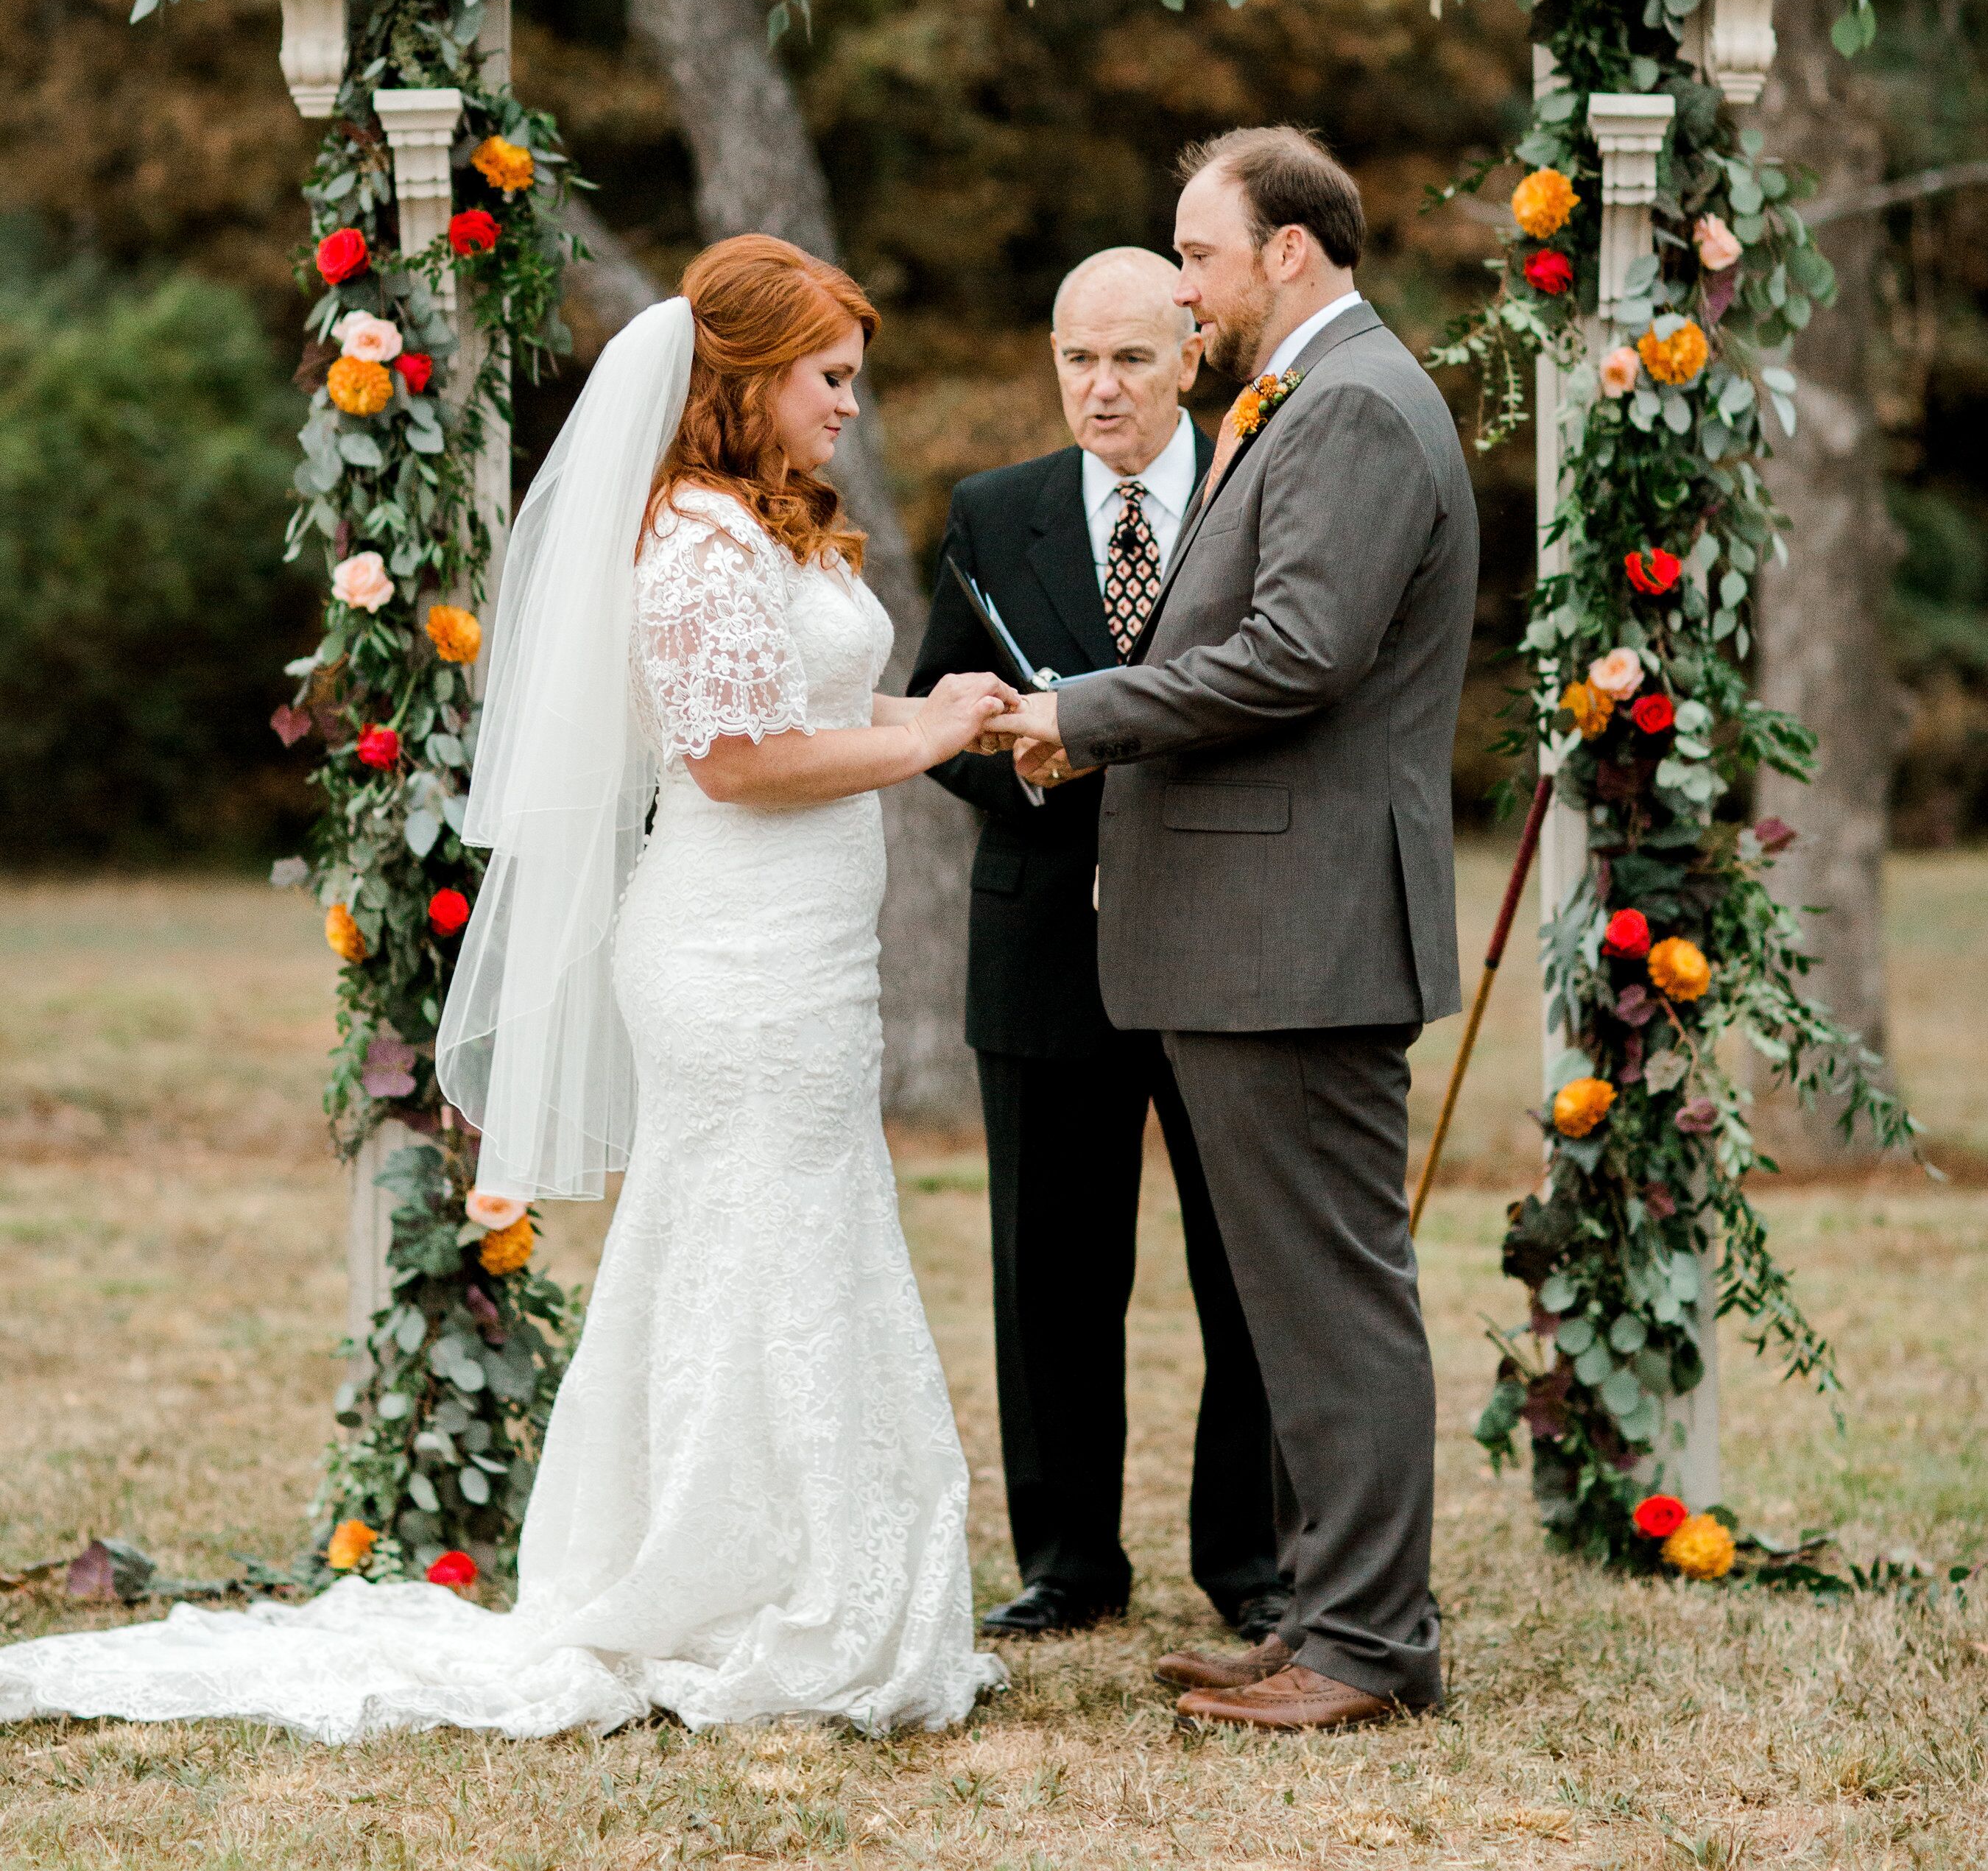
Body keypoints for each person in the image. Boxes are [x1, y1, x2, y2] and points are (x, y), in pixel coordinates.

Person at [0, 236, 1013, 1743]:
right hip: (736, 959)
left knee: (789, 1239)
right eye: (830, 379)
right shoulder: (691, 546)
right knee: (758, 1242)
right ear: (747, 379)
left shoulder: (769, 530)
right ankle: (737, 1592)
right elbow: (735, 764)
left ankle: (802, 1574)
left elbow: (799, 708)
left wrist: (939, 713)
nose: (849, 408)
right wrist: (922, 745)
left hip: (810, 958)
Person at [984, 129, 1477, 1734]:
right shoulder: (1312, 396)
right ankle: (1335, 1617)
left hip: (1300, 929)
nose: (1182, 291)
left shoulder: (1351, 403)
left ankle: (1369, 1649)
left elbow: (1295, 655)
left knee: (1333, 1298)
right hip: (1269, 928)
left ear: (1285, 253)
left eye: (1196, 256)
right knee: (1300, 1295)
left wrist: (1084, 710)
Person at [909, 247, 1285, 1646]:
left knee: (1242, 1262)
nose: (1100, 387)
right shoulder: (995, 512)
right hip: (1044, 938)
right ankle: (1069, 1564)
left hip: (1226, 938)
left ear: (1191, 353)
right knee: (1051, 1266)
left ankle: (1250, 1559)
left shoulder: (1259, 491)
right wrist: (1025, 762)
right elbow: (936, 711)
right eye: (1076, 358)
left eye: (1129, 357)